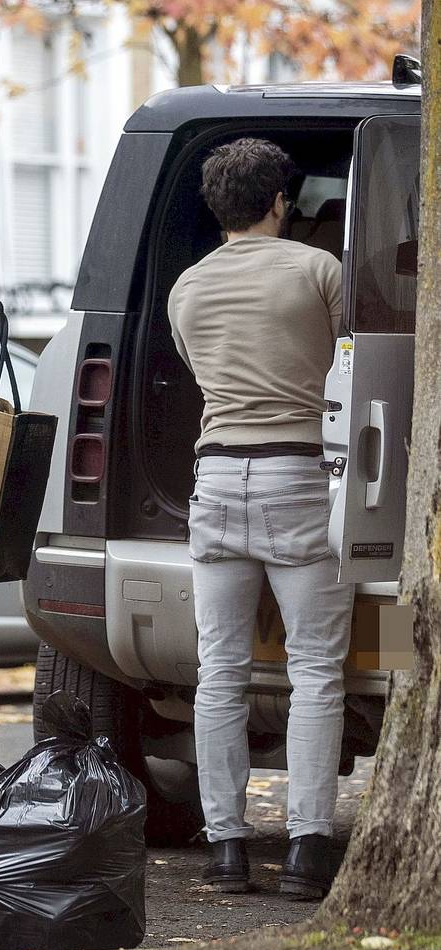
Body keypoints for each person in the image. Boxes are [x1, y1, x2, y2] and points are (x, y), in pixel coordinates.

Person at [167, 138, 354, 899]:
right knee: (314, 668)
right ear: (280, 201)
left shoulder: (186, 288)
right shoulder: (319, 271)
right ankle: (308, 850)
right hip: (297, 475)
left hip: (215, 479)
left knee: (221, 672)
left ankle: (226, 850)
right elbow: (355, 362)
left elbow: (198, 369)